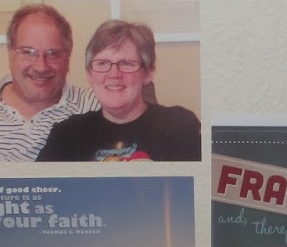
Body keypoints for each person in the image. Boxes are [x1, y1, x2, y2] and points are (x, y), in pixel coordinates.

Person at [37, 20, 201, 162]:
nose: (114, 74)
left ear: (148, 73)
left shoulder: (178, 125)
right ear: (89, 74)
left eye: (127, 63)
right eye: (102, 63)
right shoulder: (67, 134)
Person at [0, 3, 100, 161]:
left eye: (52, 54)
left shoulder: (94, 105)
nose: (41, 67)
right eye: (28, 52)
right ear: (11, 53)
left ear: (68, 57)